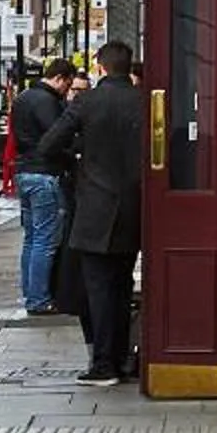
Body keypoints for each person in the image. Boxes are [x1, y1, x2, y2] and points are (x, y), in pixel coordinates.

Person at [41, 39, 143, 385]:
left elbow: (48, 145)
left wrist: (78, 158)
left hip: (95, 206)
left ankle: (103, 365)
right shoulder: (145, 101)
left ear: (100, 66)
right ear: (128, 67)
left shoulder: (87, 102)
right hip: (134, 205)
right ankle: (122, 359)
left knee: (98, 290)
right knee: (122, 286)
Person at [10, 59, 78, 314]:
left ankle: (30, 294)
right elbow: (57, 136)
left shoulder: (24, 97)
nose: (67, 90)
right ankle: (38, 299)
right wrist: (74, 154)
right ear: (60, 78)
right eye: (67, 84)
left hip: (24, 172)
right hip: (44, 174)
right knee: (46, 240)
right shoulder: (47, 102)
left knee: (31, 239)